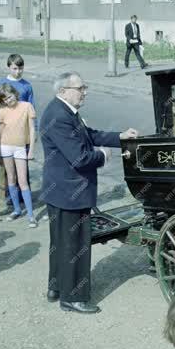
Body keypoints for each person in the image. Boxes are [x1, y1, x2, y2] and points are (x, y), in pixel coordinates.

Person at [40, 71, 138, 314]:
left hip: (62, 191)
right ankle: (72, 298)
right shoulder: (60, 116)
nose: (85, 92)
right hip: (69, 193)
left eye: (84, 87)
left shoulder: (63, 110)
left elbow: (89, 135)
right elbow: (81, 158)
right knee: (75, 245)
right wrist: (104, 156)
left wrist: (119, 137)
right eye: (80, 88)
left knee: (60, 243)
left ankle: (56, 287)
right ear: (63, 91)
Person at [0, 54, 37, 208]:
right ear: (9, 67)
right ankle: (10, 195)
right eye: (15, 68)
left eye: (20, 68)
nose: (18, 71)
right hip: (6, 132)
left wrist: (33, 132)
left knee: (23, 166)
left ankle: (25, 195)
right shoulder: (1, 84)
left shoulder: (27, 86)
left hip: (22, 132)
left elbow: (32, 108)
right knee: (7, 166)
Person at [0, 83, 37, 226]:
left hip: (20, 148)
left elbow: (32, 130)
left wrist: (31, 149)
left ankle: (31, 215)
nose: (8, 100)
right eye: (5, 99)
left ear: (15, 93)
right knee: (11, 179)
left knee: (23, 180)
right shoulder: (2, 111)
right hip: (6, 147)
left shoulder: (26, 106)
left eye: (9, 96)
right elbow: (0, 133)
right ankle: (17, 209)